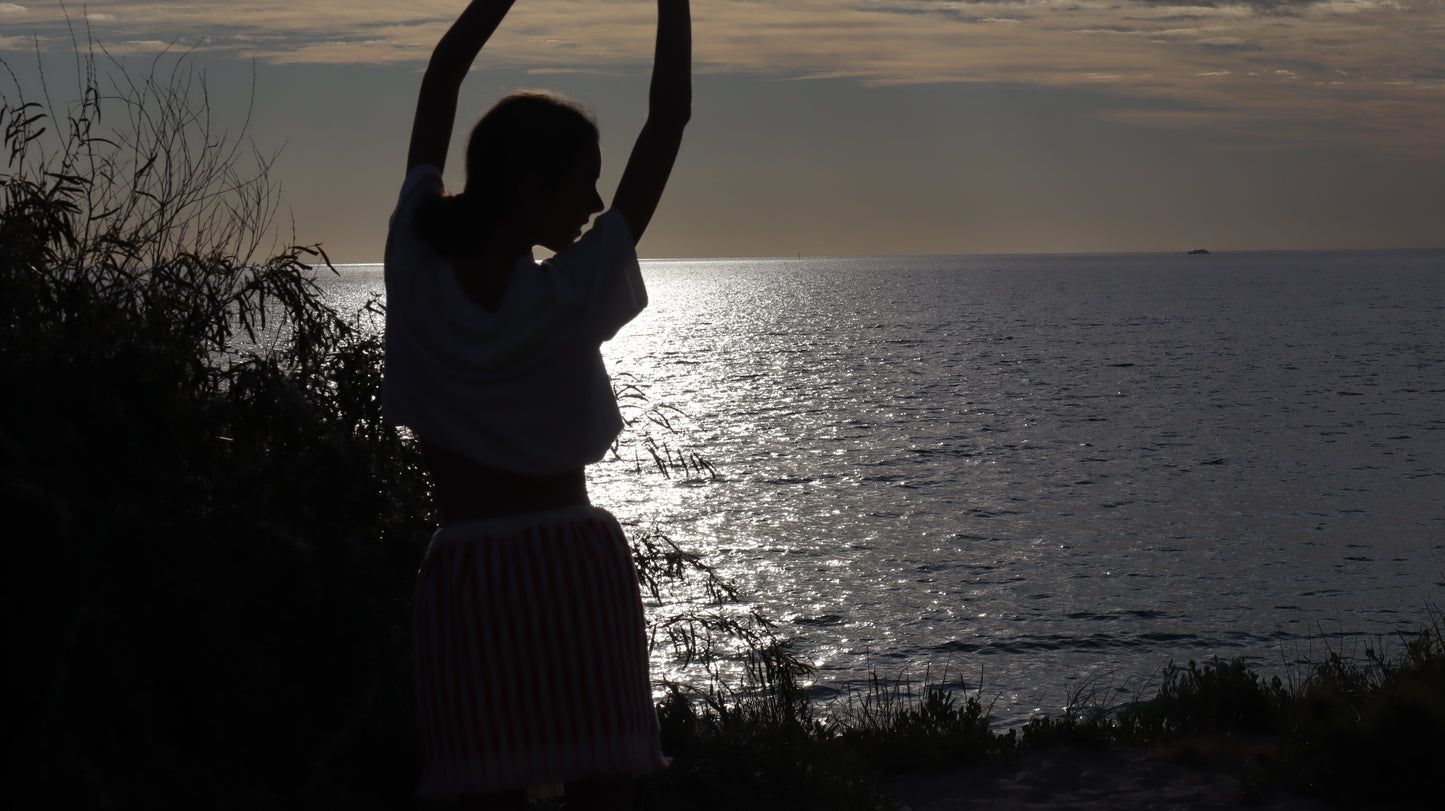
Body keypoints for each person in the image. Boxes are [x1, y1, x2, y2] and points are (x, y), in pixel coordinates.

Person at [381, 1, 690, 808]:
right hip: (570, 565)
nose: (593, 200)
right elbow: (669, 118)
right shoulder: (568, 298)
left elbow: (443, 73)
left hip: (466, 571)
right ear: (527, 190)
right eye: (581, 180)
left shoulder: (412, 263)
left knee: (480, 793)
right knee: (604, 791)